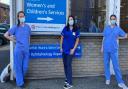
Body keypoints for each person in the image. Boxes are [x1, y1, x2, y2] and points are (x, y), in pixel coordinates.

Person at [4, 11, 31, 88]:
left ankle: (19, 78)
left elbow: (29, 37)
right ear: (18, 18)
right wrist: (14, 40)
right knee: (18, 66)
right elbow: (6, 35)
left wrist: (28, 45)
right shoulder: (15, 27)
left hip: (26, 50)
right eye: (20, 16)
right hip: (18, 49)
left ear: (24, 17)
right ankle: (20, 83)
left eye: (23, 16)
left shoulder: (27, 27)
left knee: (25, 67)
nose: (22, 18)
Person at [101, 15, 128, 89]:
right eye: (111, 19)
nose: (112, 20)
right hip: (106, 49)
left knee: (116, 66)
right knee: (106, 64)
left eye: (114, 19)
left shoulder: (118, 29)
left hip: (114, 50)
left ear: (116, 20)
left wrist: (119, 37)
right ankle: (107, 78)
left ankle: (120, 82)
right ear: (110, 20)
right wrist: (102, 47)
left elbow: (126, 36)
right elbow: (104, 37)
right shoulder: (107, 28)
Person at [60, 16, 80, 89]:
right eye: (69, 20)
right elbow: (61, 38)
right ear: (68, 21)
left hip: (71, 50)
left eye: (71, 19)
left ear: (73, 20)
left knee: (68, 65)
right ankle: (67, 78)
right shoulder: (65, 28)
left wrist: (73, 49)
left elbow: (77, 40)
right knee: (65, 65)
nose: (70, 21)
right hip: (64, 50)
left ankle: (70, 83)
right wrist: (61, 47)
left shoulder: (76, 29)